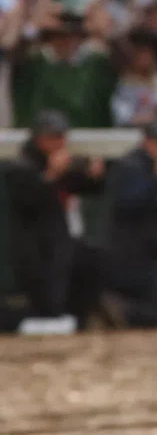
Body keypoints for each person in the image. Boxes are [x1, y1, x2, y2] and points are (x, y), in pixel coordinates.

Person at [4, 110, 105, 332]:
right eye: (54, 137)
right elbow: (28, 201)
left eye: (62, 136)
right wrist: (51, 174)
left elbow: (86, 187)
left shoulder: (62, 161)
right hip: (34, 247)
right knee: (47, 298)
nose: (61, 142)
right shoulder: (21, 166)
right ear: (39, 139)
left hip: (62, 240)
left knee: (92, 261)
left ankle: (78, 320)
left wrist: (95, 176)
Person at [100, 119, 157, 328]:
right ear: (146, 141)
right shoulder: (130, 165)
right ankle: (120, 308)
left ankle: (123, 308)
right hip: (132, 250)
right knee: (156, 314)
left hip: (155, 248)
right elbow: (128, 202)